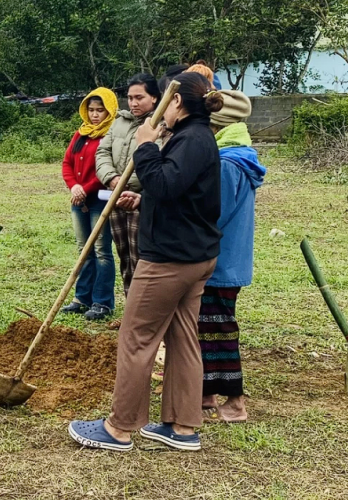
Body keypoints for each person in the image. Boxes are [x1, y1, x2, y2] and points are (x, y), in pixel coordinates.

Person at [68, 71, 223, 453]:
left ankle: (118, 428)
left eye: (166, 102)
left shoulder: (189, 139)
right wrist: (144, 200)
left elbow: (164, 182)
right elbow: (177, 192)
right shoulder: (199, 138)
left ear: (177, 103)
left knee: (135, 336)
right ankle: (182, 427)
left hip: (169, 259)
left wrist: (145, 146)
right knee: (183, 336)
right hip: (195, 256)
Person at [201, 90, 265, 423]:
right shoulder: (236, 155)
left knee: (219, 329)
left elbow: (215, 213)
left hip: (221, 261)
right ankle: (206, 392)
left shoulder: (227, 163)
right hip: (224, 259)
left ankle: (236, 401)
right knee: (205, 328)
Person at [94, 74, 160, 299]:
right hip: (116, 199)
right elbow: (102, 152)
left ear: (154, 97)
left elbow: (156, 161)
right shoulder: (120, 122)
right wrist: (111, 178)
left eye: (139, 97)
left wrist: (130, 187)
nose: (133, 103)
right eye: (130, 98)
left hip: (141, 201)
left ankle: (143, 311)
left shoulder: (159, 125)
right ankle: (129, 308)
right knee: (124, 255)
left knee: (141, 257)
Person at [59, 88, 118, 320]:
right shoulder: (80, 134)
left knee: (102, 250)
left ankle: (103, 302)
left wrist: (85, 188)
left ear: (109, 111)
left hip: (99, 199)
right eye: (91, 110)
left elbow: (107, 167)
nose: (94, 115)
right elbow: (67, 163)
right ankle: (82, 298)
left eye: (99, 110)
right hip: (78, 199)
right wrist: (74, 186)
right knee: (83, 250)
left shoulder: (111, 135)